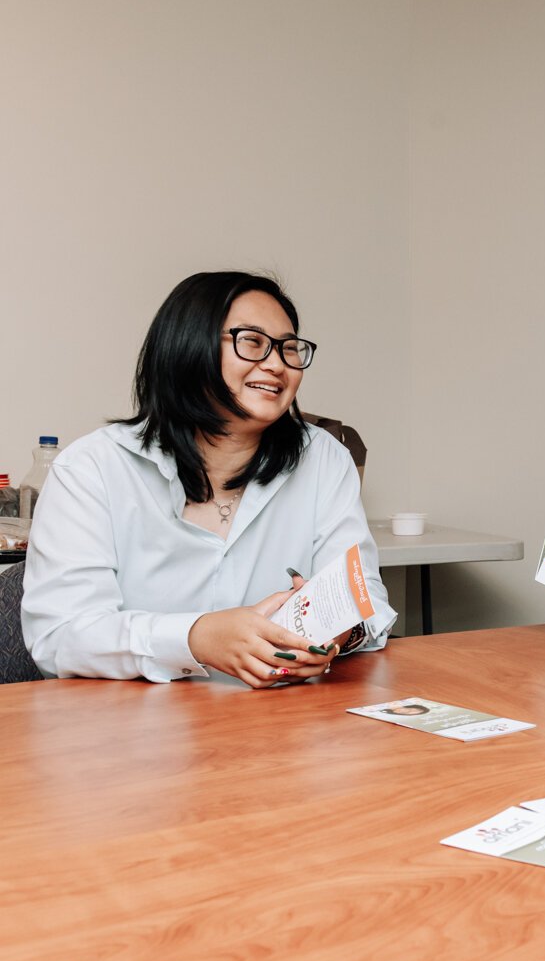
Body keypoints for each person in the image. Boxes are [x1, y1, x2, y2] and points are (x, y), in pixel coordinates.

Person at [22, 272, 395, 687]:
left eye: (289, 349)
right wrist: (195, 638)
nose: (277, 364)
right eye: (252, 342)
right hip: (132, 730)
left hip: (281, 724)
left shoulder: (324, 458)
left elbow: (367, 601)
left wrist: (340, 632)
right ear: (187, 347)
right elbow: (61, 637)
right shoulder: (92, 468)